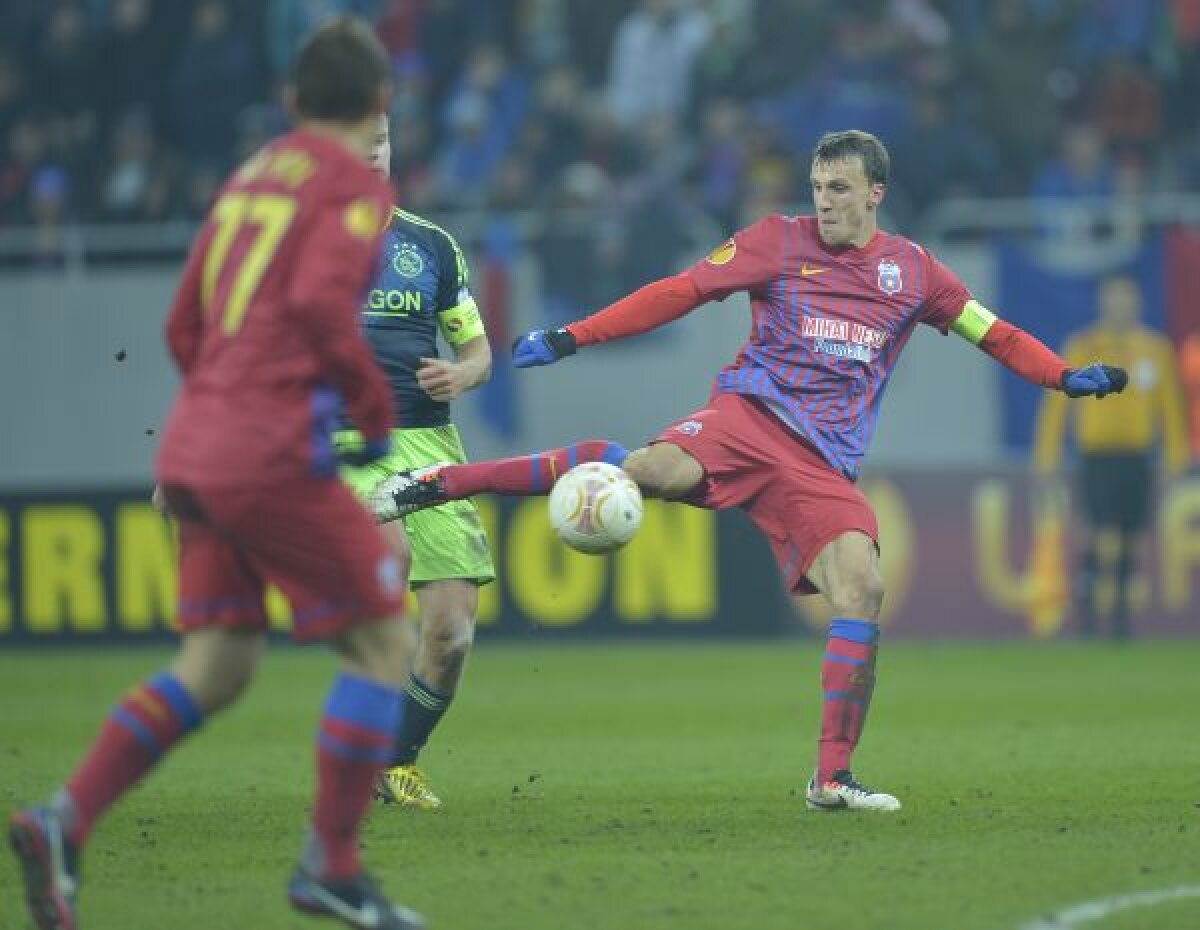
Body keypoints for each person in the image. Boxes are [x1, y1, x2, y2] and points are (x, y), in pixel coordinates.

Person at [372, 129, 1128, 812]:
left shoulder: (915, 272)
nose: (824, 202)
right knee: (643, 471)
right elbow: (681, 292)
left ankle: (832, 778)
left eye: (839, 189)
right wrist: (574, 336)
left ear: (875, 193)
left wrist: (1061, 378)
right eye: (818, 187)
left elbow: (994, 334)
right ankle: (433, 485)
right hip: (746, 422)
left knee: (862, 585)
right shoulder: (776, 241)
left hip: (822, 465)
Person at [9, 17, 425, 930]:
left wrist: (209, 427)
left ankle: (63, 820)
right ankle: (333, 867)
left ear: (291, 102)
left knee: (221, 660)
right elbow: (320, 303)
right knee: (384, 642)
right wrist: (369, 403)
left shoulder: (249, 179)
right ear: (379, 103)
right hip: (269, 451)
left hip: (198, 447)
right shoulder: (351, 188)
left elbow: (182, 327)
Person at [336, 113, 496, 810]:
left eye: (381, 139)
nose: (372, 153)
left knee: (452, 632)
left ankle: (394, 760)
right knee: (387, 550)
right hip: (342, 444)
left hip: (429, 445)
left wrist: (462, 376)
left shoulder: (430, 245)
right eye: (357, 141)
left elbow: (479, 353)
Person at [1034, 275, 1188, 639]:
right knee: (1095, 533)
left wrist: (1174, 456)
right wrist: (1048, 457)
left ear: (1136, 305)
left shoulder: (1155, 349)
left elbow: (1170, 408)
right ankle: (1087, 610)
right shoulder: (1085, 345)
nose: (1121, 308)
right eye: (1114, 301)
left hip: (1136, 457)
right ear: (1103, 305)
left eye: (1127, 301)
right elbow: (1057, 405)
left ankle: (1119, 618)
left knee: (1132, 536)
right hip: (1096, 456)